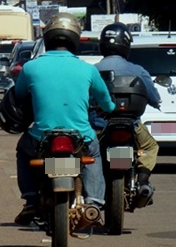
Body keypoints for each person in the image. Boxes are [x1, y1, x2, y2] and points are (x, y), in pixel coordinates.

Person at [13, 13, 116, 226]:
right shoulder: (88, 69)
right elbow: (107, 104)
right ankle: (94, 203)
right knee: (95, 156)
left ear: (48, 39)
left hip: (40, 136)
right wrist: (110, 109)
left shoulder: (31, 67)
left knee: (23, 150)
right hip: (82, 137)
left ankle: (31, 200)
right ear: (74, 40)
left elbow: (19, 96)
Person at [91, 22, 161, 205]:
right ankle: (143, 181)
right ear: (126, 46)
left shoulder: (92, 70)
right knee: (150, 147)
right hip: (132, 126)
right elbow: (154, 98)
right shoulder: (138, 70)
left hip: (98, 127)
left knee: (86, 157)